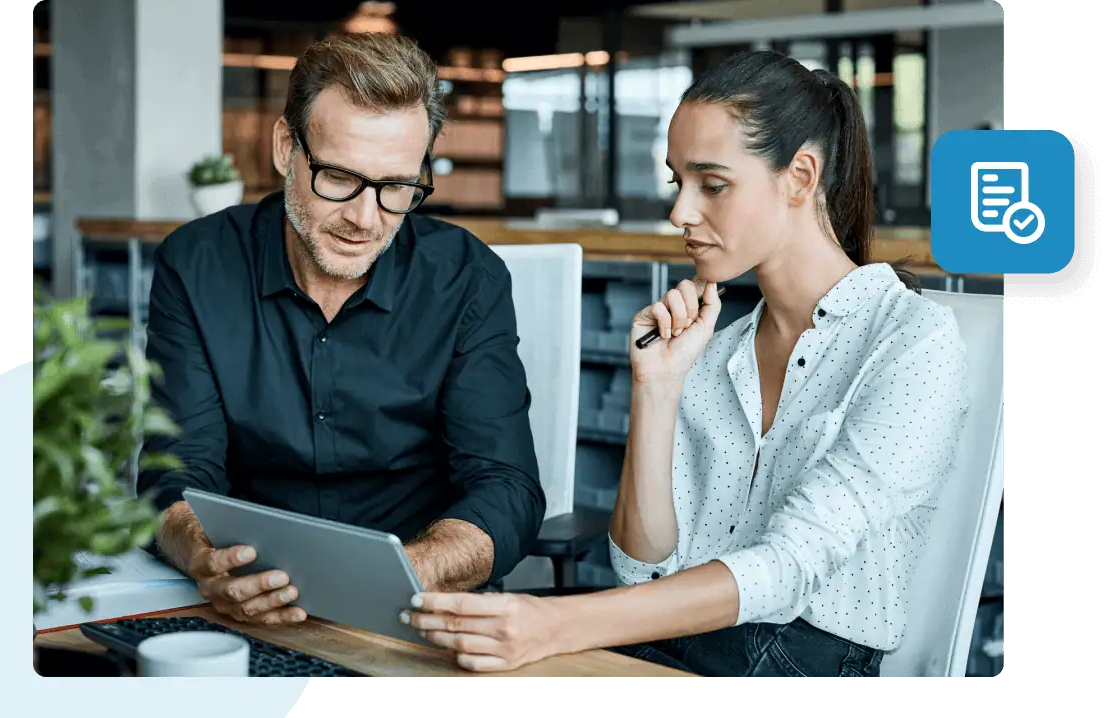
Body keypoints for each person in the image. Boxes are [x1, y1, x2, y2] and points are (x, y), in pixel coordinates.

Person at [400, 49, 971, 678]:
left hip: (804, 663)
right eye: (679, 182)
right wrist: (658, 387)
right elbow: (641, 568)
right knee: (442, 648)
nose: (680, 213)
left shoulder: (912, 341)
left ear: (801, 177)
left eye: (713, 184)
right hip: (685, 640)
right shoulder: (717, 348)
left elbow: (787, 567)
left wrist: (557, 625)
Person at [137, 33, 546, 628]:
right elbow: (176, 470)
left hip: (417, 603)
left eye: (396, 187)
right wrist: (206, 557)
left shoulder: (468, 280)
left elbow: (505, 486)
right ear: (285, 147)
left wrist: (410, 571)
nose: (364, 218)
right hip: (245, 599)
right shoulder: (197, 265)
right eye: (337, 177)